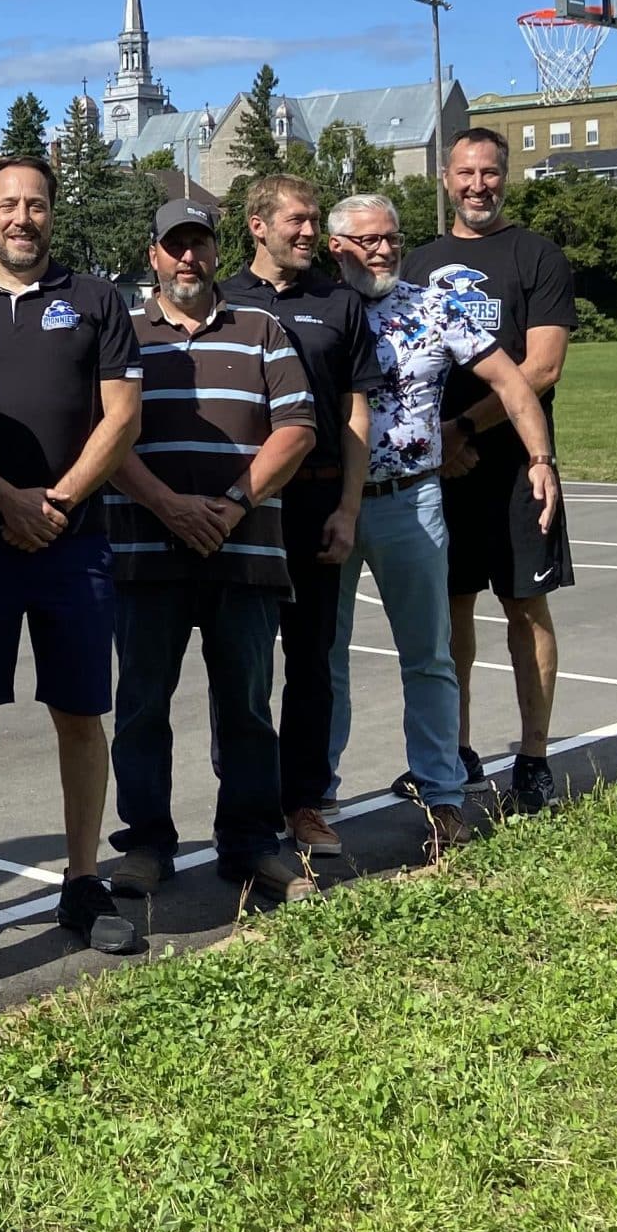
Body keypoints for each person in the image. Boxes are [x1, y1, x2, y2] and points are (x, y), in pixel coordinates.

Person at [0, 156, 143, 956]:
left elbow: (122, 419)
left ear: (54, 213)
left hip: (72, 545)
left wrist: (54, 504)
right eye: (9, 205)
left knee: (80, 716)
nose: (23, 218)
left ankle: (82, 882)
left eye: (38, 204)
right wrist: (7, 501)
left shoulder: (96, 300)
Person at [326, 193, 559, 855]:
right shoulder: (316, 309)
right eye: (369, 240)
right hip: (328, 506)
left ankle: (443, 796)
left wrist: (540, 459)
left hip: (411, 502)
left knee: (429, 657)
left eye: (392, 238)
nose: (384, 251)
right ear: (337, 247)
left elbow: (513, 383)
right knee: (324, 659)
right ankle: (316, 800)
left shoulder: (434, 306)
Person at [103, 198, 319, 904]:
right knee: (141, 707)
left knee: (247, 709)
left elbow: (298, 428)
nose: (188, 257)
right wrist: (169, 506)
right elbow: (103, 438)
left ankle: (251, 845)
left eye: (200, 243)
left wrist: (230, 506)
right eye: (176, 245)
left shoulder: (261, 328)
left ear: (217, 252)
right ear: (153, 256)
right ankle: (146, 844)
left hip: (244, 551)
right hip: (146, 553)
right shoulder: (123, 332)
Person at [403, 130, 578, 813]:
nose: (479, 185)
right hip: (440, 468)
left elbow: (543, 367)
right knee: (448, 611)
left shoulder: (536, 256)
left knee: (524, 605)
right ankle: (456, 752)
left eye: (490, 172)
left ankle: (533, 759)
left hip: (513, 465)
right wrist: (437, 442)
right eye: (466, 173)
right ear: (445, 179)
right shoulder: (418, 262)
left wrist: (466, 427)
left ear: (507, 176)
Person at [219, 173, 379, 857]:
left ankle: (306, 802)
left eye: (314, 220)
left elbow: (354, 412)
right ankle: (245, 801)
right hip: (248, 507)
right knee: (242, 664)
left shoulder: (339, 302)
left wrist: (348, 507)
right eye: (298, 221)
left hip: (316, 502)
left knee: (311, 662)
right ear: (258, 226)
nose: (312, 232)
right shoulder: (223, 298)